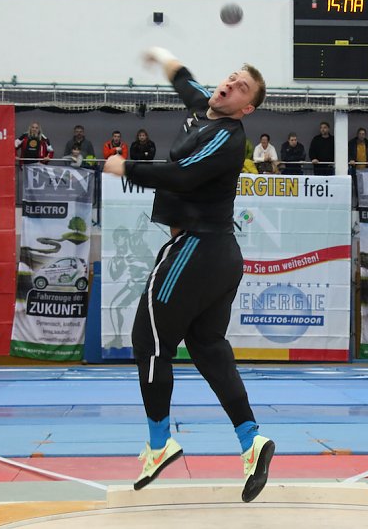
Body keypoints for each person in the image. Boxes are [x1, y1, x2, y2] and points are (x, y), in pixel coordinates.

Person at [102, 46, 274, 503]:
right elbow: (186, 80)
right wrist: (163, 56)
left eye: (241, 87)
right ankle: (252, 442)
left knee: (149, 341)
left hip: (196, 248)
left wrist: (126, 167)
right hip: (214, 254)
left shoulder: (229, 137)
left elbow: (180, 176)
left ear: (247, 107)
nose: (230, 85)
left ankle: (159, 445)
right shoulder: (205, 107)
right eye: (231, 77)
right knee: (208, 347)